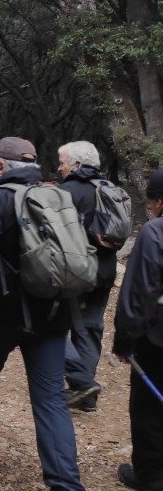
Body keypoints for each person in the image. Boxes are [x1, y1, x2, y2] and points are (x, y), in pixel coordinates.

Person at [0, 136, 86, 491]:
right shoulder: (56, 194)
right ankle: (65, 482)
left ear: (0, 165)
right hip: (53, 311)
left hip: (2, 315)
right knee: (51, 397)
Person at [57, 141, 120, 411]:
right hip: (105, 272)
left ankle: (82, 384)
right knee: (90, 329)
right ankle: (87, 397)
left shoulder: (67, 192)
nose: (59, 168)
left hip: (76, 271)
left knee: (55, 326)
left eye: (63, 162)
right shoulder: (110, 189)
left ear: (77, 164)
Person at [112, 167, 163, 491]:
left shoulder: (155, 232)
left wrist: (124, 340)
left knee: (149, 408)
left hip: (157, 340)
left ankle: (151, 476)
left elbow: (140, 292)